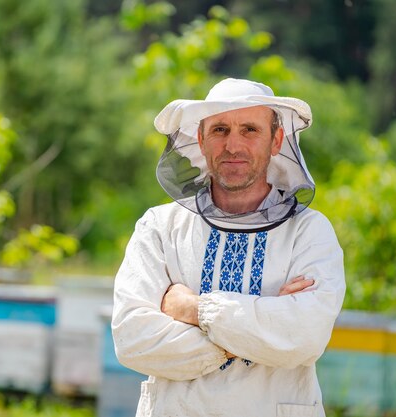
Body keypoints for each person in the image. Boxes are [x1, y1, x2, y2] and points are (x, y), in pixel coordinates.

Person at [111, 78, 346, 417]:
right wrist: (262, 322)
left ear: (276, 140)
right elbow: (132, 340)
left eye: (249, 129)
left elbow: (305, 337)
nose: (233, 146)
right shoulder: (159, 228)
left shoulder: (310, 233)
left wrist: (195, 311)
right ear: (201, 139)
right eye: (220, 129)